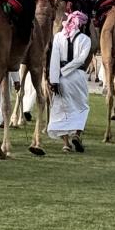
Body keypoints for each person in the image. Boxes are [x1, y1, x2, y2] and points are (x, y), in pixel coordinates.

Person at [47, 11, 92, 152]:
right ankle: (77, 134)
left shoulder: (58, 37)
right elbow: (80, 60)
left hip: (61, 77)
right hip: (78, 76)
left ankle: (66, 143)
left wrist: (54, 80)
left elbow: (54, 59)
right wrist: (67, 70)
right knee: (81, 107)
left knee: (61, 109)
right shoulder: (86, 39)